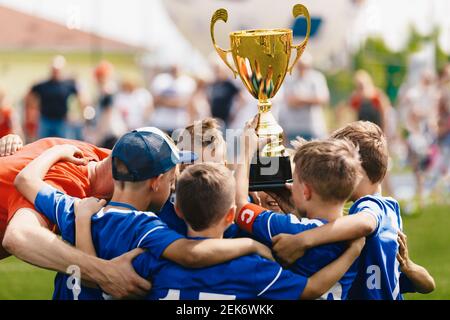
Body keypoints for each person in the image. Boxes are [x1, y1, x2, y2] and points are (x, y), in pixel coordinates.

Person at [14, 128, 274, 300]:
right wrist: (251, 245)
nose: (175, 184)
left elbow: (25, 179)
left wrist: (57, 149)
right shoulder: (146, 228)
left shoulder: (77, 208)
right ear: (156, 182)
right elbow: (190, 253)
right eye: (172, 178)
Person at [129, 163, 364, 300]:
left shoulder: (150, 261)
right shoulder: (254, 267)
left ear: (177, 210)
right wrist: (353, 250)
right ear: (231, 216)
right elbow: (311, 288)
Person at [271, 121, 435, 299]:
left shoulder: (372, 206)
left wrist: (301, 240)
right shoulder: (388, 211)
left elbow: (365, 224)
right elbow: (427, 286)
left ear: (357, 170)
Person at [0, 135, 152, 298]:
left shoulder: (92, 154)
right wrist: (104, 272)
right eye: (169, 181)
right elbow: (18, 236)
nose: (171, 186)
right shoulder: (63, 182)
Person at [234, 118, 362, 300]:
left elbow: (240, 207)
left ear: (306, 191)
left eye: (293, 181)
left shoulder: (292, 229)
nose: (289, 186)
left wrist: (245, 151)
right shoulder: (353, 235)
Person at [25, 56, 86, 139]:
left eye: (57, 69)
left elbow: (81, 99)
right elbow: (28, 96)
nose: (55, 71)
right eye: (54, 69)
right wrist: (32, 111)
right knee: (42, 144)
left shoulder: (68, 84)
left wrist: (78, 115)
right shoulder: (43, 85)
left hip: (62, 121)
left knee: (64, 145)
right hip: (45, 120)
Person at [279, 53, 329, 141]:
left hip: (314, 127)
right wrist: (310, 100)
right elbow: (289, 101)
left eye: (305, 66)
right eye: (300, 66)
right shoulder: (289, 78)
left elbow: (323, 99)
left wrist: (300, 99)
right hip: (292, 128)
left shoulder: (317, 78)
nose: (302, 69)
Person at [150, 65, 196, 135]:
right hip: (162, 123)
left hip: (180, 124)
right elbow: (155, 101)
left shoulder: (188, 82)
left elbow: (190, 103)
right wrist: (176, 102)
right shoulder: (160, 80)